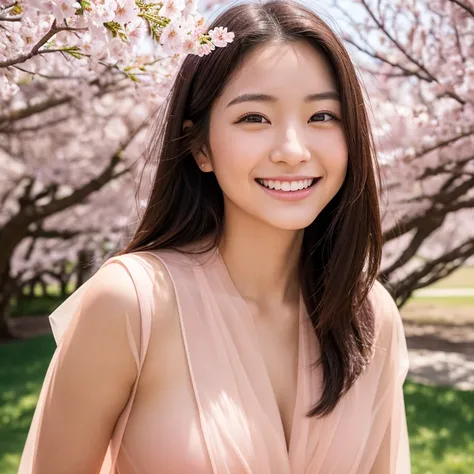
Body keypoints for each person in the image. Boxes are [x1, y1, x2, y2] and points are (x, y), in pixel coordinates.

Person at [19, 1, 411, 473]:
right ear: (201, 146)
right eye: (254, 119)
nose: (292, 150)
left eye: (322, 116)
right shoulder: (131, 305)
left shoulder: (368, 316)